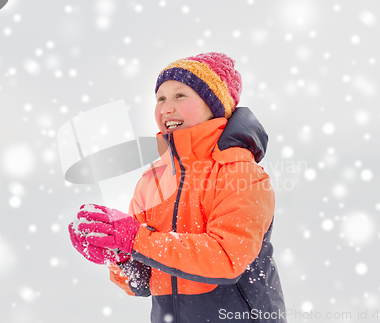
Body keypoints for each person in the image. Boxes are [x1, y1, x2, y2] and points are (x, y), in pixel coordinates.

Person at [69, 52, 287, 323]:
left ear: (214, 105)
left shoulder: (240, 173)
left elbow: (226, 259)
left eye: (180, 96)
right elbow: (144, 281)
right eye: (160, 98)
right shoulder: (153, 181)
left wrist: (135, 239)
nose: (166, 108)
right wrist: (120, 255)